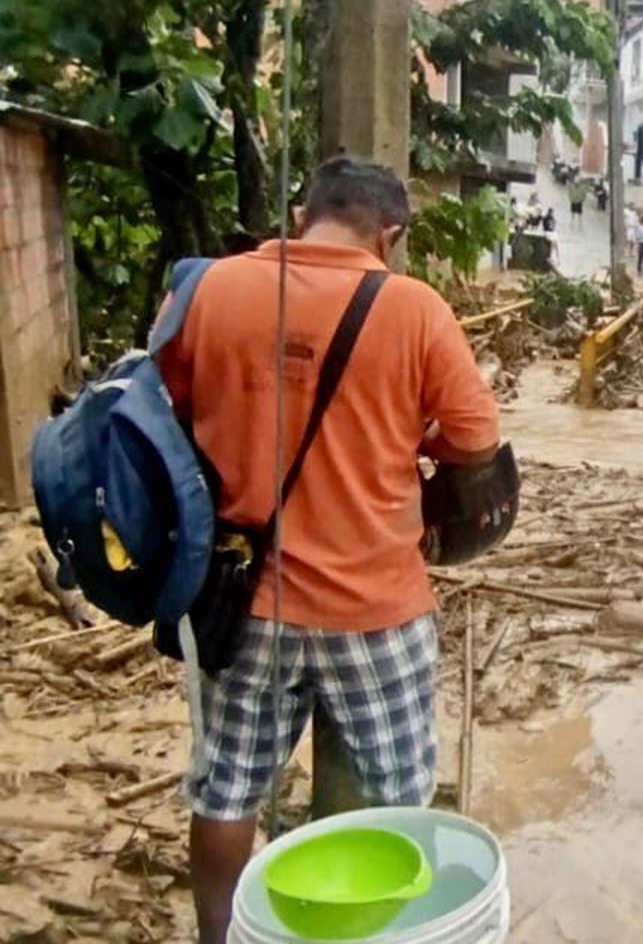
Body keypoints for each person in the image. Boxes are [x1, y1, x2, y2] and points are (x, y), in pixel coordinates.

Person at [157, 157, 501, 944]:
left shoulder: (207, 290)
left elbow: (162, 410)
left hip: (246, 602)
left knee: (228, 792)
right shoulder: (413, 308)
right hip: (378, 608)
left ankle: (217, 936)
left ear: (304, 213)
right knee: (400, 796)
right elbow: (477, 438)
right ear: (391, 234)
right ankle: (386, 929)